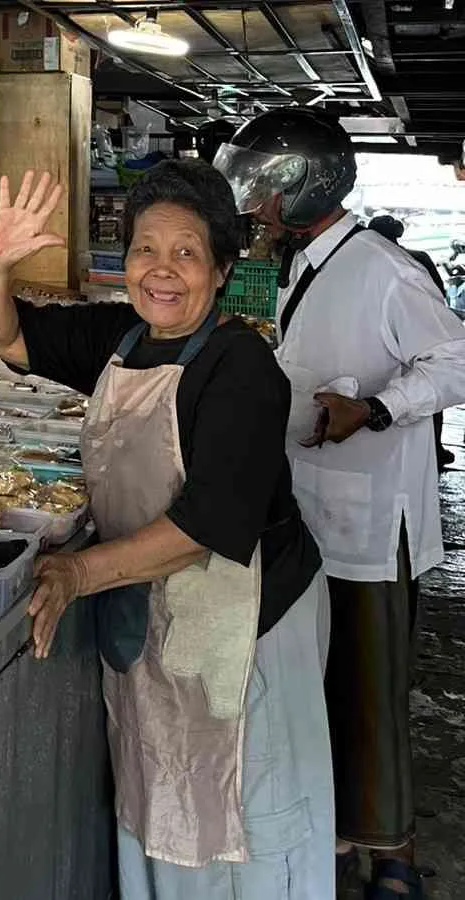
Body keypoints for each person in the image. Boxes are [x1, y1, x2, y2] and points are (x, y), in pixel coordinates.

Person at [0, 161, 334, 897]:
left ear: (224, 268)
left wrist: (79, 571)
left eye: (186, 253)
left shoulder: (243, 366)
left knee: (249, 814)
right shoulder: (125, 335)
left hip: (249, 626)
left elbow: (207, 524)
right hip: (156, 612)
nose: (161, 271)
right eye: (145, 249)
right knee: (164, 794)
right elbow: (4, 336)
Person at [216, 108, 465, 900]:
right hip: (314, 512)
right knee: (322, 687)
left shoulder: (385, 268)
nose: (254, 204)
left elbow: (456, 361)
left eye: (265, 187)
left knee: (370, 690)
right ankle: (332, 832)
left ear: (307, 182)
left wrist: (380, 408)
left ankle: (393, 856)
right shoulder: (297, 261)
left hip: (369, 522)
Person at [368, 214, 455, 471]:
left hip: (388, 343)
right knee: (429, 397)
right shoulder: (418, 258)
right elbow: (439, 296)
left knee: (395, 396)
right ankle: (434, 449)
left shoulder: (375, 262)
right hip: (419, 340)